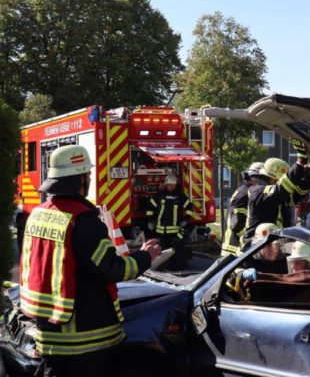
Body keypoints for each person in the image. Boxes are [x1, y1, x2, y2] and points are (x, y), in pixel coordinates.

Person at [19, 145, 161, 377]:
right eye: (89, 174)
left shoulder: (38, 213)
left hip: (47, 332)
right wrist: (146, 256)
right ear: (81, 179)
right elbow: (111, 269)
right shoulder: (84, 221)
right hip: (84, 338)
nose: (91, 179)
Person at [241, 140, 310, 250]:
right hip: (253, 250)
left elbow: (295, 196)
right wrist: (300, 162)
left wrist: (308, 177)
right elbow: (282, 188)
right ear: (274, 178)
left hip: (269, 248)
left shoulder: (275, 197)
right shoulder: (259, 193)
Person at [146, 174, 194, 270]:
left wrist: (185, 220)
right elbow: (150, 208)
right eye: (170, 185)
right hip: (161, 230)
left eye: (173, 185)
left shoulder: (180, 196)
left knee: (177, 249)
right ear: (165, 185)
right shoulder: (159, 195)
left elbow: (189, 208)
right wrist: (150, 221)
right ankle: (162, 267)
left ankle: (178, 267)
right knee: (162, 250)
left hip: (175, 230)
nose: (172, 187)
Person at [221, 162, 263, 257]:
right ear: (252, 178)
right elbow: (237, 223)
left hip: (237, 248)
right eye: (262, 179)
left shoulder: (249, 191)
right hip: (234, 250)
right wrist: (251, 239)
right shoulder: (244, 194)